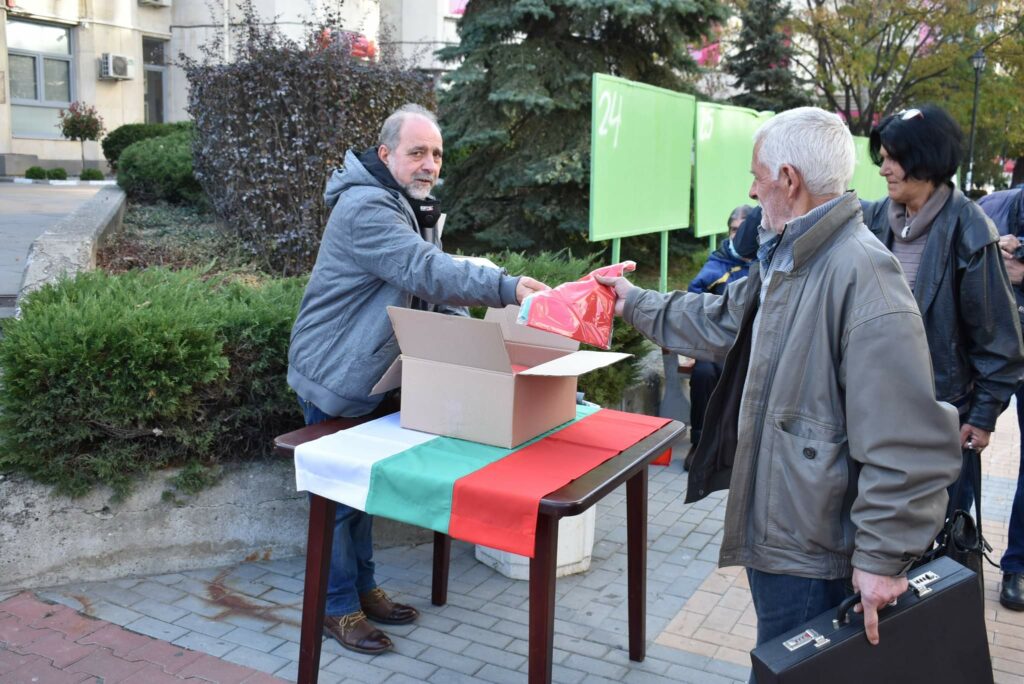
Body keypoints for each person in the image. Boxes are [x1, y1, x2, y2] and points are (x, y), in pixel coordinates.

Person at [596, 107, 962, 657]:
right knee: (780, 661)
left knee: (790, 668)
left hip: (815, 548)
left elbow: (906, 439)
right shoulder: (792, 255)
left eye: (757, 176)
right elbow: (722, 320)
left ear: (789, 180)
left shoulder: (862, 274)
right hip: (787, 528)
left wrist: (882, 559)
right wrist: (631, 302)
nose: (751, 189)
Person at [287, 104, 548, 654]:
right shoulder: (366, 207)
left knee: (358, 492)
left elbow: (427, 294)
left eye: (437, 154)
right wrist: (505, 287)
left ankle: (362, 589)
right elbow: (422, 270)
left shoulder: (406, 205)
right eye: (418, 152)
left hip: (369, 373)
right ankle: (336, 607)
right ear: (385, 154)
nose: (430, 164)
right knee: (336, 502)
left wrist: (486, 347)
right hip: (335, 372)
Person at [861, 105, 1024, 525]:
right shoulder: (875, 218)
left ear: (925, 159)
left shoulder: (970, 229)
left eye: (894, 158)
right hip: (872, 409)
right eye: (883, 157)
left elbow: (999, 340)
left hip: (940, 418)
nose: (884, 169)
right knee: (873, 527)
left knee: (930, 533)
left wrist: (982, 417)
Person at [977, 185, 1024, 609]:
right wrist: (992, 260)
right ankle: (951, 548)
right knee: (957, 445)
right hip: (987, 351)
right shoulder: (991, 208)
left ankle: (1018, 566)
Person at [685, 205, 755, 469]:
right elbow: (693, 302)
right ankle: (699, 444)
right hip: (715, 344)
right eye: (733, 230)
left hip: (751, 347)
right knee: (703, 374)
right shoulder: (718, 263)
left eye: (743, 230)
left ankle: (734, 449)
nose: (738, 235)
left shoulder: (767, 262)